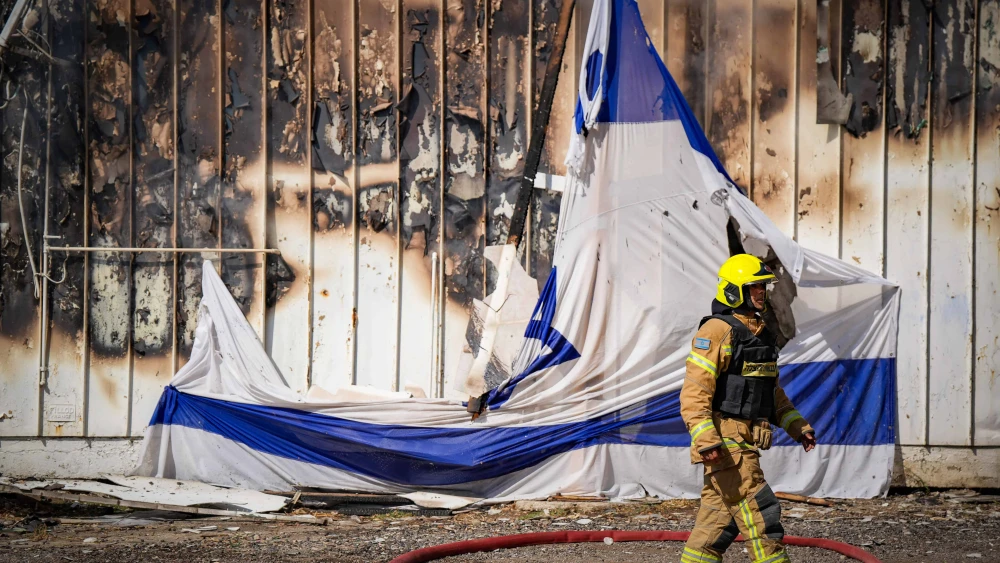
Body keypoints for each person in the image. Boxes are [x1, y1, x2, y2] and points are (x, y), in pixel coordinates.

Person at [679, 254, 816, 563]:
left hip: (744, 444)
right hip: (726, 444)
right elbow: (694, 394)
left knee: (713, 530)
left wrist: (799, 427)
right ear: (734, 290)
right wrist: (706, 441)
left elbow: (773, 394)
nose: (761, 293)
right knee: (762, 515)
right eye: (754, 287)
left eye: (762, 287)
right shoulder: (715, 331)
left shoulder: (761, 335)